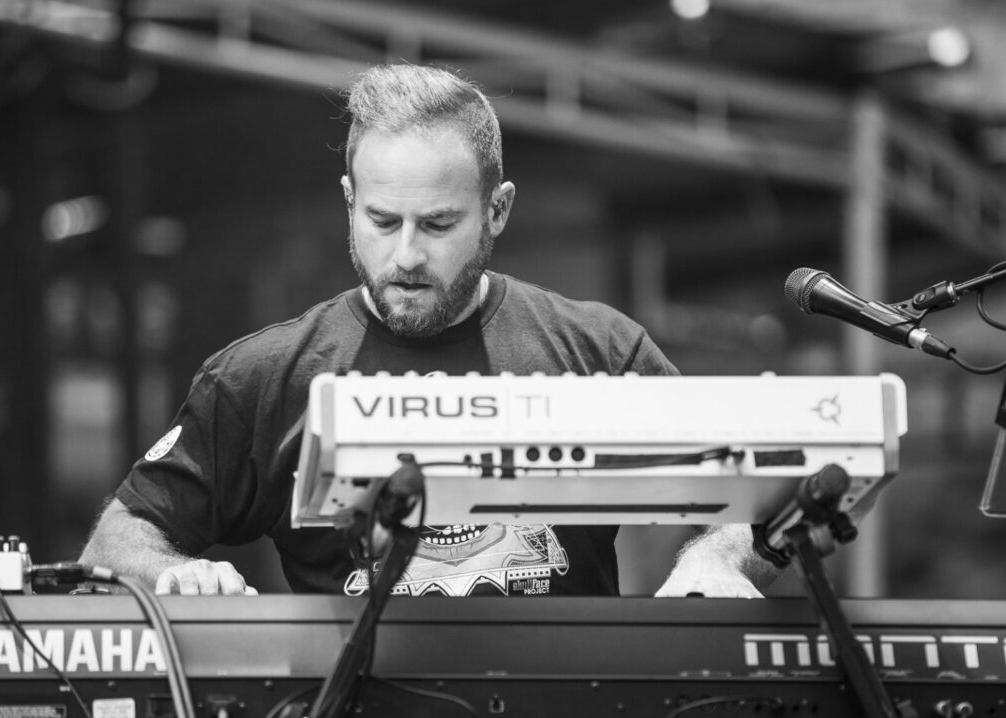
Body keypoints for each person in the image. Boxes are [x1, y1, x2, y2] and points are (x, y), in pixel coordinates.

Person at [79, 63, 779, 602]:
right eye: (383, 221)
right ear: (350, 202)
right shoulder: (264, 378)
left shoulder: (599, 351)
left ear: (497, 211)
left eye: (438, 224)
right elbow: (116, 543)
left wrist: (714, 558)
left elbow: (730, 502)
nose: (406, 254)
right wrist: (177, 574)